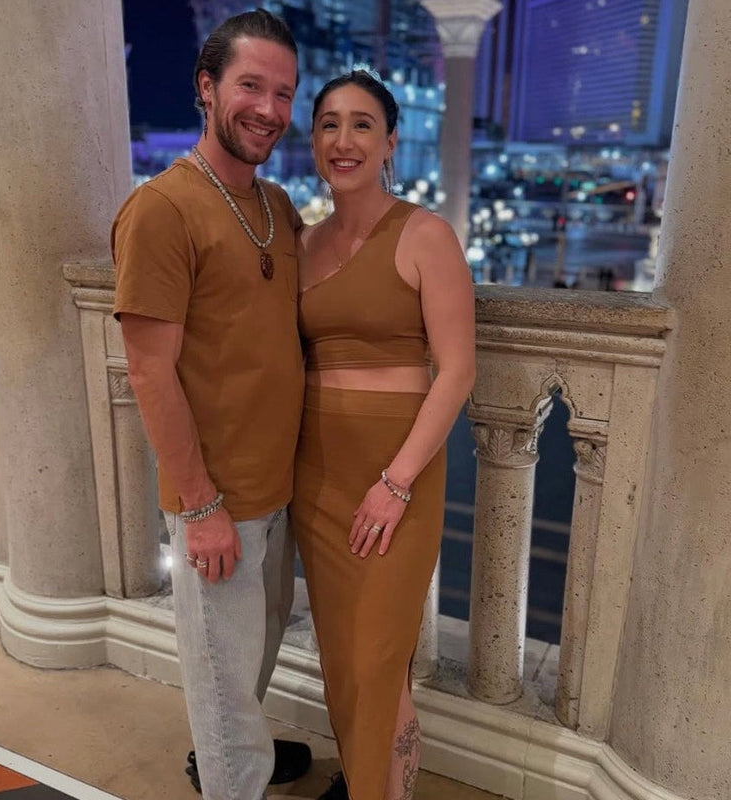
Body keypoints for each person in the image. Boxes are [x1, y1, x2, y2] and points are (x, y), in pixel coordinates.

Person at [111, 9, 311, 800]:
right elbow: (151, 372)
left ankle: (234, 758)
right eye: (250, 85)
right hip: (218, 498)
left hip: (277, 487)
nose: (268, 108)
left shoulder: (279, 206)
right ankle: (234, 780)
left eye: (284, 92)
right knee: (223, 679)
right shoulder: (160, 210)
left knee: (246, 665)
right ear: (207, 87)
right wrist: (199, 508)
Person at [290, 70, 476, 800]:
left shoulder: (426, 235)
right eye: (329, 124)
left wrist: (396, 483)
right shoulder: (303, 244)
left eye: (362, 124)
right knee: (346, 659)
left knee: (375, 656)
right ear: (313, 141)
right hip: (318, 474)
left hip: (395, 476)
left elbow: (456, 372)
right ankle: (374, 786)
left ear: (391, 140)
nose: (344, 140)